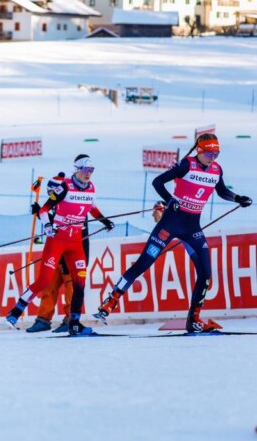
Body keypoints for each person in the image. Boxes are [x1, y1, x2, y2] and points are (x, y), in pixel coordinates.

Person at [94, 134, 252, 332]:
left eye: (216, 154)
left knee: (206, 273)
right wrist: (170, 200)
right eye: (209, 154)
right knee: (144, 263)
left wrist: (238, 198)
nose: (212, 158)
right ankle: (111, 301)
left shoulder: (216, 169)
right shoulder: (186, 165)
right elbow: (157, 182)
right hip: (170, 224)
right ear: (200, 151)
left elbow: (221, 191)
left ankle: (193, 319)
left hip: (192, 229)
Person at [5, 154, 115, 336]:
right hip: (57, 242)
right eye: (86, 170)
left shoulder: (91, 188)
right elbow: (44, 210)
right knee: (44, 281)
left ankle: (74, 323)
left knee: (80, 284)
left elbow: (92, 209)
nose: (89, 174)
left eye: (91, 170)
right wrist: (48, 226)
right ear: (77, 170)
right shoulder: (64, 187)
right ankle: (15, 312)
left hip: (76, 244)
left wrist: (105, 221)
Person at [24, 173, 80, 334]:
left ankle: (70, 320)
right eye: (49, 192)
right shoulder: (52, 205)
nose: (50, 195)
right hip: (55, 255)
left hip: (69, 255)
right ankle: (43, 319)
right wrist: (39, 213)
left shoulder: (71, 203)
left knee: (71, 289)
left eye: (52, 192)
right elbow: (50, 222)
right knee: (48, 287)